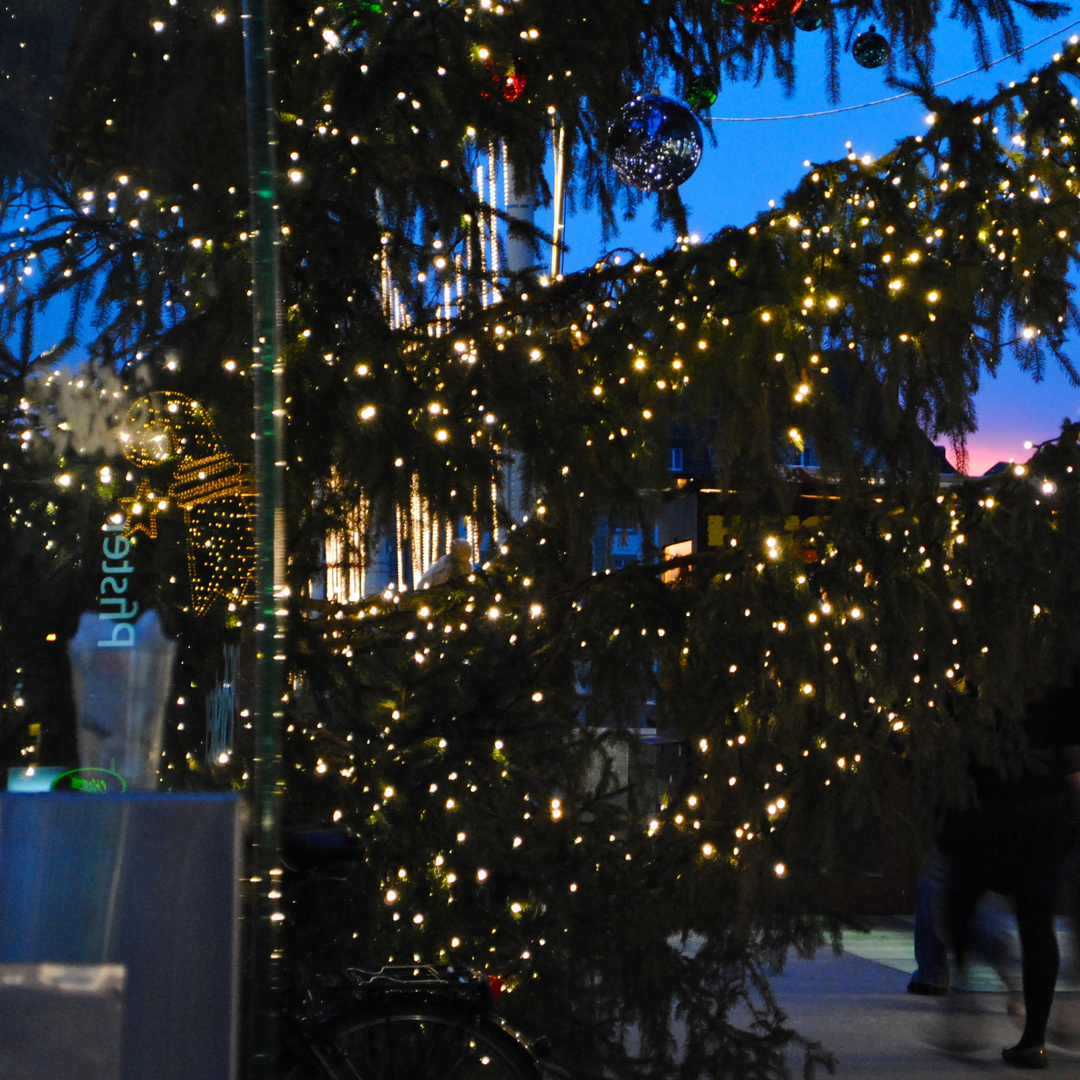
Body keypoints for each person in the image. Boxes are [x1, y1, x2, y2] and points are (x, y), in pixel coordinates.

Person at [941, 682, 1080, 1069]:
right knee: (1036, 920)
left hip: (983, 797)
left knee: (960, 898)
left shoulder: (971, 663)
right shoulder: (1056, 660)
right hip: (1044, 802)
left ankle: (961, 995)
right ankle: (1033, 1039)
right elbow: (1071, 747)